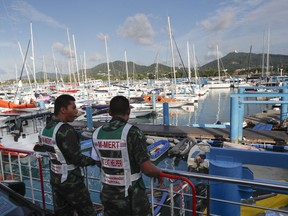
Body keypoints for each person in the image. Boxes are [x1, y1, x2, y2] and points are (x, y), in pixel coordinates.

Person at [91, 95, 163, 216]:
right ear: (129, 111)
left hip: (108, 193)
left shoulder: (97, 133)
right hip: (131, 196)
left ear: (109, 112)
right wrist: (158, 172)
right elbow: (147, 168)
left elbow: (98, 161)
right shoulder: (133, 132)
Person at [35, 94, 97, 216]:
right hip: (72, 181)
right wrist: (95, 160)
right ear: (63, 110)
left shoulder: (45, 130)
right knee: (87, 212)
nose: (76, 112)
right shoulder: (65, 130)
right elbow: (77, 158)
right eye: (73, 108)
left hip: (56, 178)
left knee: (63, 212)